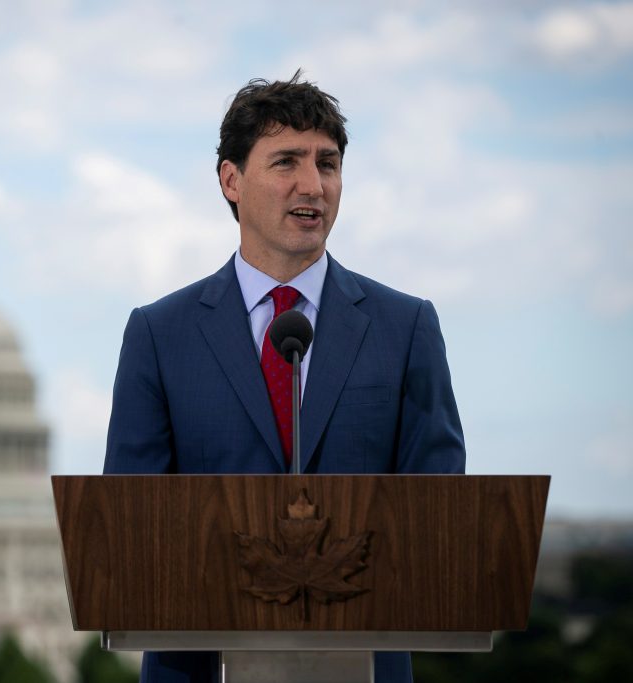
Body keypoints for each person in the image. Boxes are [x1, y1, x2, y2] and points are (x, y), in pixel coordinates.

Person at [103, 72, 466, 683]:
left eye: (328, 163)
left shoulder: (405, 327)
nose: (312, 185)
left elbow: (440, 512)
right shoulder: (159, 334)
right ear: (230, 181)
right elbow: (132, 522)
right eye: (286, 162)